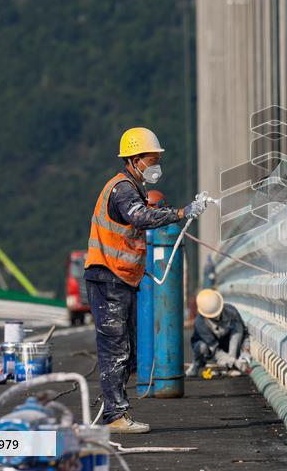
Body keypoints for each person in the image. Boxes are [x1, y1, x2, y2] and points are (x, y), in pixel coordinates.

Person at [84, 127, 210, 433]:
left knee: (128, 351)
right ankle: (114, 416)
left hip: (119, 278)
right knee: (117, 350)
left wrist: (175, 211)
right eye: (151, 160)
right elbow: (140, 217)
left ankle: (112, 409)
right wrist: (181, 212)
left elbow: (145, 213)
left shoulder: (132, 187)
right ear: (134, 159)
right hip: (108, 277)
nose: (155, 166)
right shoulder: (123, 189)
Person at [186, 289, 248, 377]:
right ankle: (196, 365)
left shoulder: (231, 311)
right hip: (210, 348)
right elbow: (214, 350)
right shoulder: (200, 323)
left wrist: (246, 351)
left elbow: (244, 333)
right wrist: (231, 361)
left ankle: (232, 367)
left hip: (226, 343)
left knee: (238, 328)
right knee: (201, 347)